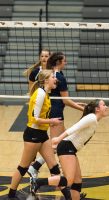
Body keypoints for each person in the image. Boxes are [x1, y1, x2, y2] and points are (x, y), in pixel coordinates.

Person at [30, 99, 109, 199]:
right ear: (97, 109)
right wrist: (58, 139)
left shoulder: (94, 120)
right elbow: (74, 128)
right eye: (104, 105)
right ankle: (38, 182)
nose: (106, 107)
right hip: (67, 147)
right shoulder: (92, 117)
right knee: (68, 180)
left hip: (70, 148)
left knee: (77, 181)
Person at [27, 52, 85, 179]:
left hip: (52, 110)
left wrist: (76, 103)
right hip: (56, 113)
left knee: (64, 141)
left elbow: (62, 98)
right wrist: (82, 109)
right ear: (59, 62)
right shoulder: (60, 77)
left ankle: (62, 172)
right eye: (64, 61)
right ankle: (35, 166)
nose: (66, 63)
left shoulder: (49, 73)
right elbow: (65, 100)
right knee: (56, 144)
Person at [8, 70, 63, 199]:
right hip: (32, 134)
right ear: (45, 80)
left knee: (54, 167)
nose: (56, 79)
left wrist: (49, 123)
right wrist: (52, 121)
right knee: (23, 167)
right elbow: (34, 119)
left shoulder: (45, 94)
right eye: (53, 77)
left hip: (42, 134)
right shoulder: (40, 94)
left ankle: (70, 195)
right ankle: (11, 195)